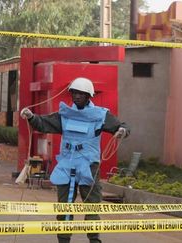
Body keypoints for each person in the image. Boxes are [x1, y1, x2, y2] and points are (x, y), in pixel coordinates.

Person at [20, 77, 130, 243]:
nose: (77, 96)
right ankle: (63, 240)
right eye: (75, 93)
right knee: (64, 207)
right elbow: (43, 123)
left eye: (81, 93)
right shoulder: (65, 115)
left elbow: (122, 126)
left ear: (89, 96)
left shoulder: (101, 115)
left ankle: (94, 240)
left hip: (89, 166)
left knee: (92, 206)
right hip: (66, 164)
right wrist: (30, 117)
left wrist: (122, 131)